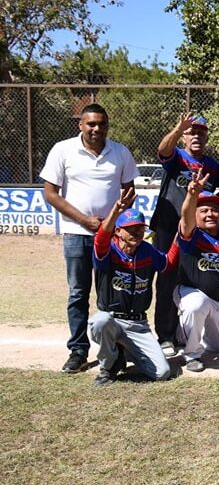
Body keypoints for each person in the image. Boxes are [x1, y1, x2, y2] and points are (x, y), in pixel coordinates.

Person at [40, 103, 138, 374]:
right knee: (78, 293)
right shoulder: (63, 150)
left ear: (107, 125)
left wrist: (112, 224)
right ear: (80, 125)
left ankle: (114, 350)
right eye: (91, 124)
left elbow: (129, 193)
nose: (96, 128)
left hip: (111, 237)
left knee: (112, 294)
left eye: (102, 124)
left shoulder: (120, 152)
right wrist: (83, 220)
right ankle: (78, 351)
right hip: (76, 234)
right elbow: (50, 193)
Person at [151, 113, 219, 358]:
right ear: (184, 136)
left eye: (200, 132)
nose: (196, 135)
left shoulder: (213, 167)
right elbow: (162, 149)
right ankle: (165, 335)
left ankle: (190, 332)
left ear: (206, 137)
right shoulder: (177, 156)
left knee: (193, 278)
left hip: (197, 232)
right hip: (168, 226)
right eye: (191, 132)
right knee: (166, 278)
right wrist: (177, 127)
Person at [88, 188, 178, 385]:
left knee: (162, 373)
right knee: (100, 321)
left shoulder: (147, 250)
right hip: (112, 319)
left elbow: (167, 263)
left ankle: (128, 350)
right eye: (130, 228)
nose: (137, 232)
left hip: (138, 324)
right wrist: (115, 211)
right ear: (118, 231)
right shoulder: (108, 249)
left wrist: (182, 236)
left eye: (140, 227)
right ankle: (109, 365)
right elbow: (101, 238)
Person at [175, 172, 219, 373]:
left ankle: (188, 331)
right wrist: (191, 196)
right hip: (193, 292)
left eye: (214, 210)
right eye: (203, 210)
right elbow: (185, 219)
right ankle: (191, 353)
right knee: (195, 305)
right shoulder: (191, 234)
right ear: (195, 214)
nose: (210, 214)